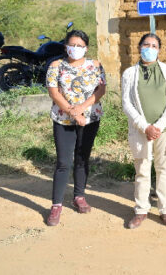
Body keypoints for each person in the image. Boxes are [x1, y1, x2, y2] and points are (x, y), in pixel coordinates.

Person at [45, 29, 106, 226]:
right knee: (63, 162)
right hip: (63, 120)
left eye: (80, 46)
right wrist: (73, 113)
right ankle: (56, 205)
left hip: (90, 119)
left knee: (82, 158)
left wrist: (82, 109)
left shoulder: (95, 65)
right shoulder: (56, 66)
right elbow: (54, 93)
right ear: (66, 46)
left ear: (86, 48)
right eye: (72, 45)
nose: (76, 49)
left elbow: (101, 89)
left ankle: (79, 196)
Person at [122, 33, 166, 229]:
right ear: (139, 47)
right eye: (146, 44)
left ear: (159, 49)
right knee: (142, 171)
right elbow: (127, 103)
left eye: (154, 45)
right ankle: (141, 210)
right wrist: (144, 126)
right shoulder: (129, 73)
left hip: (163, 130)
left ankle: (165, 209)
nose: (150, 48)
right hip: (141, 130)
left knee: (164, 169)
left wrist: (159, 125)